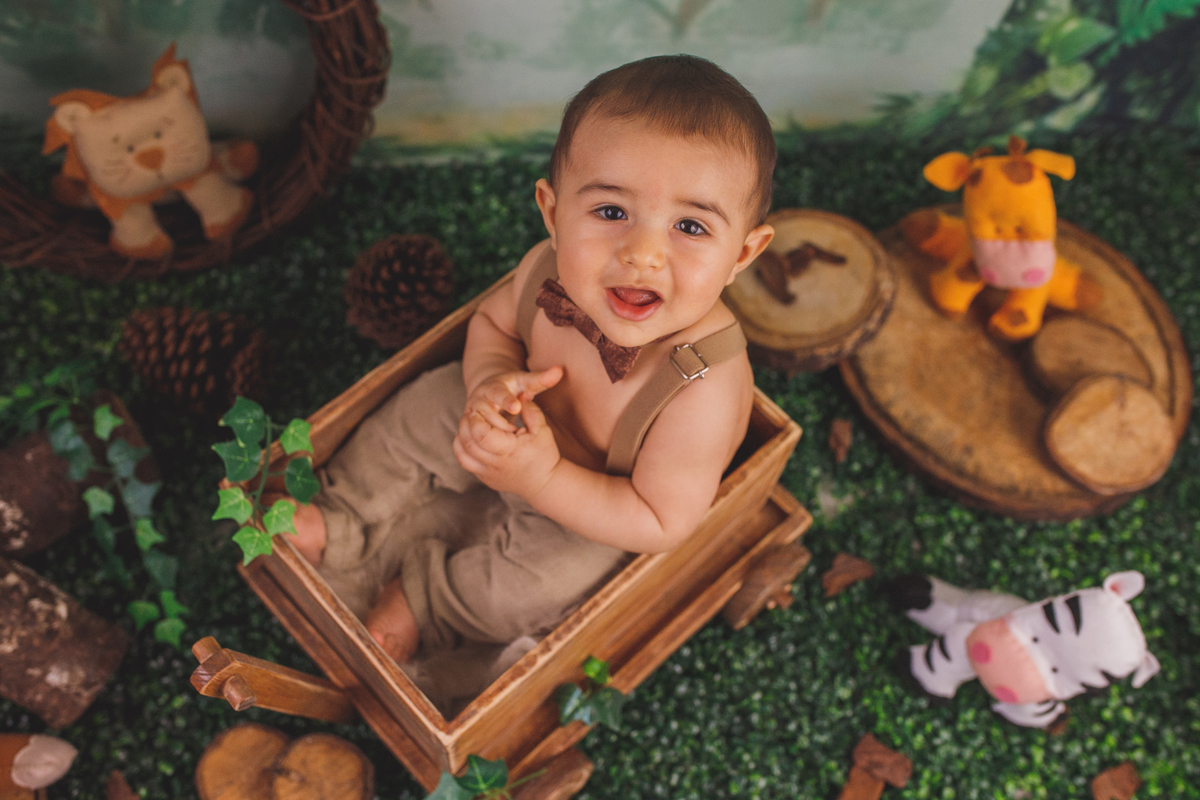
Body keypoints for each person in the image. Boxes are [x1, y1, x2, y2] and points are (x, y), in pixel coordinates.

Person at [287, 54, 777, 666]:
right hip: (515, 421)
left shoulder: (703, 383)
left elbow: (659, 522)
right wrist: (489, 382)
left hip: (594, 498)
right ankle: (341, 516)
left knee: (548, 582)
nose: (643, 253)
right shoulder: (544, 273)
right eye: (610, 212)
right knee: (418, 411)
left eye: (691, 226)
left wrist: (542, 479)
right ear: (552, 212)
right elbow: (492, 324)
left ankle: (427, 603)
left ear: (744, 253)